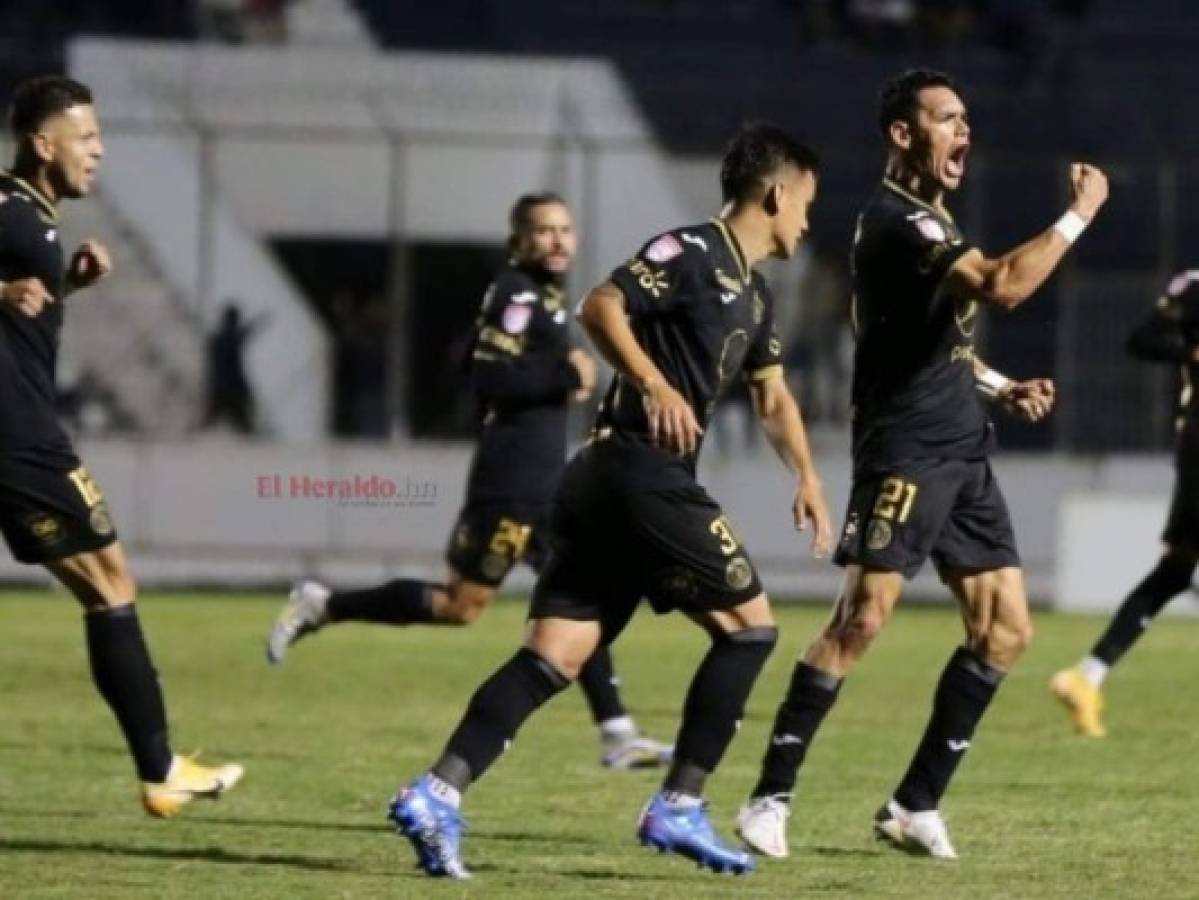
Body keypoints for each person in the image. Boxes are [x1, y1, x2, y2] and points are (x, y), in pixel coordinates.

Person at [387, 123, 833, 880]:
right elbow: (600, 306)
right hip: (637, 470)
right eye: (807, 204)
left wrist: (810, 477)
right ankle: (679, 803)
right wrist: (655, 383)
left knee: (553, 656)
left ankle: (436, 793)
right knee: (749, 632)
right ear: (776, 192)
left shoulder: (752, 297)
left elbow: (771, 398)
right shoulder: (689, 252)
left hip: (605, 483)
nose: (808, 222)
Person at [735, 68, 1108, 861]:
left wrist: (1000, 386)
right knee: (860, 620)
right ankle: (768, 797)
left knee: (1005, 631)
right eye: (946, 119)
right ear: (903, 135)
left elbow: (938, 345)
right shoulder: (898, 220)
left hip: (962, 446)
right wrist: (1079, 214)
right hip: (904, 447)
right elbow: (1003, 288)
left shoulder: (927, 222)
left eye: (966, 119)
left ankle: (913, 804)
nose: (963, 131)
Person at [267, 193, 671, 770]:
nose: (556, 240)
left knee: (578, 594)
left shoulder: (546, 298)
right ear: (519, 240)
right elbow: (486, 373)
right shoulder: (516, 294)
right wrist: (563, 372)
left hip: (541, 485)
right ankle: (323, 604)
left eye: (564, 229)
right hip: (510, 486)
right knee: (462, 604)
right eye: (543, 231)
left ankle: (617, 731)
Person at [0, 76, 242, 816]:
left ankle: (161, 767)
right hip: (18, 438)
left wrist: (62, 287)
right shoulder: (6, 208)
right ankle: (160, 769)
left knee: (107, 581)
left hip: (20, 429)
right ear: (45, 145)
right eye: (87, 137)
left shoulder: (34, 219)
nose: (99, 151)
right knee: (110, 581)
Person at [1050, 270, 1199, 738]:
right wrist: (1190, 351)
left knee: (1177, 569)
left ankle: (1087, 675)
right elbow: (1144, 339)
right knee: (1176, 567)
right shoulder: (1194, 286)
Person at [199, 302, 267, 435]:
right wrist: (259, 323)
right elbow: (243, 334)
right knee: (245, 426)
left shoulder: (216, 338)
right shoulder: (232, 337)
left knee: (208, 423)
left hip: (218, 388)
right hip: (233, 391)